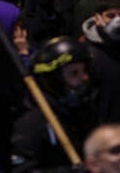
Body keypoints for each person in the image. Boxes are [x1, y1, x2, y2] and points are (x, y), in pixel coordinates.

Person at [12, 36, 98, 172]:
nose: (84, 78)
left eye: (85, 71)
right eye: (74, 73)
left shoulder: (88, 111)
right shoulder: (33, 123)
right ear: (54, 80)